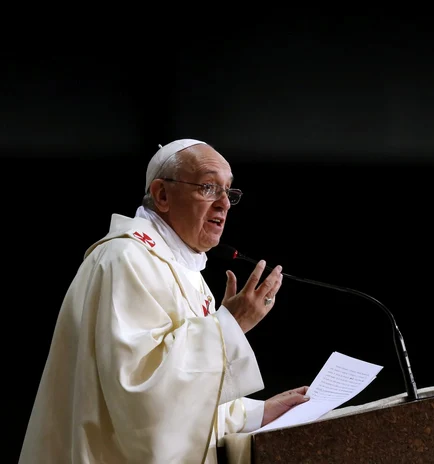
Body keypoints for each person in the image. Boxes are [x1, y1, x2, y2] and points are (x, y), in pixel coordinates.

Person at [19, 139, 309, 463]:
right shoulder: (125, 258)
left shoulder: (188, 273)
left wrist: (258, 414)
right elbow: (139, 396)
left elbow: (183, 403)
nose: (224, 203)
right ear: (162, 195)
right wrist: (230, 324)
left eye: (229, 192)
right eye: (209, 187)